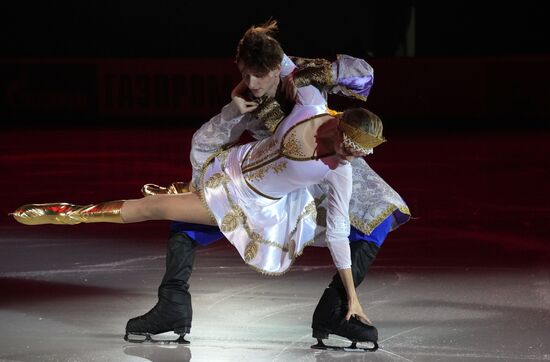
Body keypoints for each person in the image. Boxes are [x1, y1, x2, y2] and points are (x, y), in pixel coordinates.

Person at [12, 104, 387, 348]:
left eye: (361, 152)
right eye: (350, 145)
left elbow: (337, 232)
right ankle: (173, 305)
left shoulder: (343, 173)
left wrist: (353, 298)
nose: (353, 155)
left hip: (253, 205)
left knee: (156, 207)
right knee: (176, 218)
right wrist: (244, 89)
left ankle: (70, 213)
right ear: (338, 126)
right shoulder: (308, 106)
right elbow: (276, 68)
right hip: (229, 172)